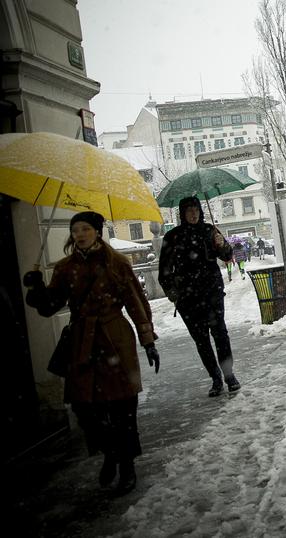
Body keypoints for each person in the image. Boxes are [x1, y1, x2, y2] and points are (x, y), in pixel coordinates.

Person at [23, 211, 159, 493]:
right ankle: (109, 450)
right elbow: (50, 307)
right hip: (82, 343)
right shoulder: (64, 268)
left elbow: (136, 303)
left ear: (97, 231)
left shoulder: (117, 263)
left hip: (115, 339)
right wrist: (36, 286)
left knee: (123, 407)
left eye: (85, 229)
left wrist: (148, 340)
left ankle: (127, 466)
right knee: (85, 409)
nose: (80, 235)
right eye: (75, 231)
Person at [159, 196, 240, 397]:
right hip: (188, 299)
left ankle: (229, 376)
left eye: (196, 209)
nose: (193, 214)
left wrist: (222, 245)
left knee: (220, 334)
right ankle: (215, 379)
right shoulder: (173, 237)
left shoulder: (209, 231)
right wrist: (174, 295)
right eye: (189, 210)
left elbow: (228, 256)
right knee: (201, 341)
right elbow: (164, 272)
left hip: (212, 293)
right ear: (182, 214)